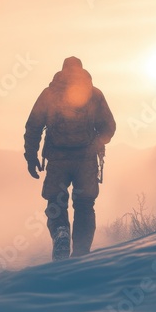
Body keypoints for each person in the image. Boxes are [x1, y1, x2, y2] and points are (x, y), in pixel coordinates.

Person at [23, 56, 115, 260]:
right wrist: (96, 143)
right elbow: (109, 127)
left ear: (62, 70)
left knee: (56, 203)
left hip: (57, 161)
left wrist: (31, 157)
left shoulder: (49, 94)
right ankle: (81, 251)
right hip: (86, 161)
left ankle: (61, 234)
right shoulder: (94, 94)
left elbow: (33, 126)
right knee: (84, 205)